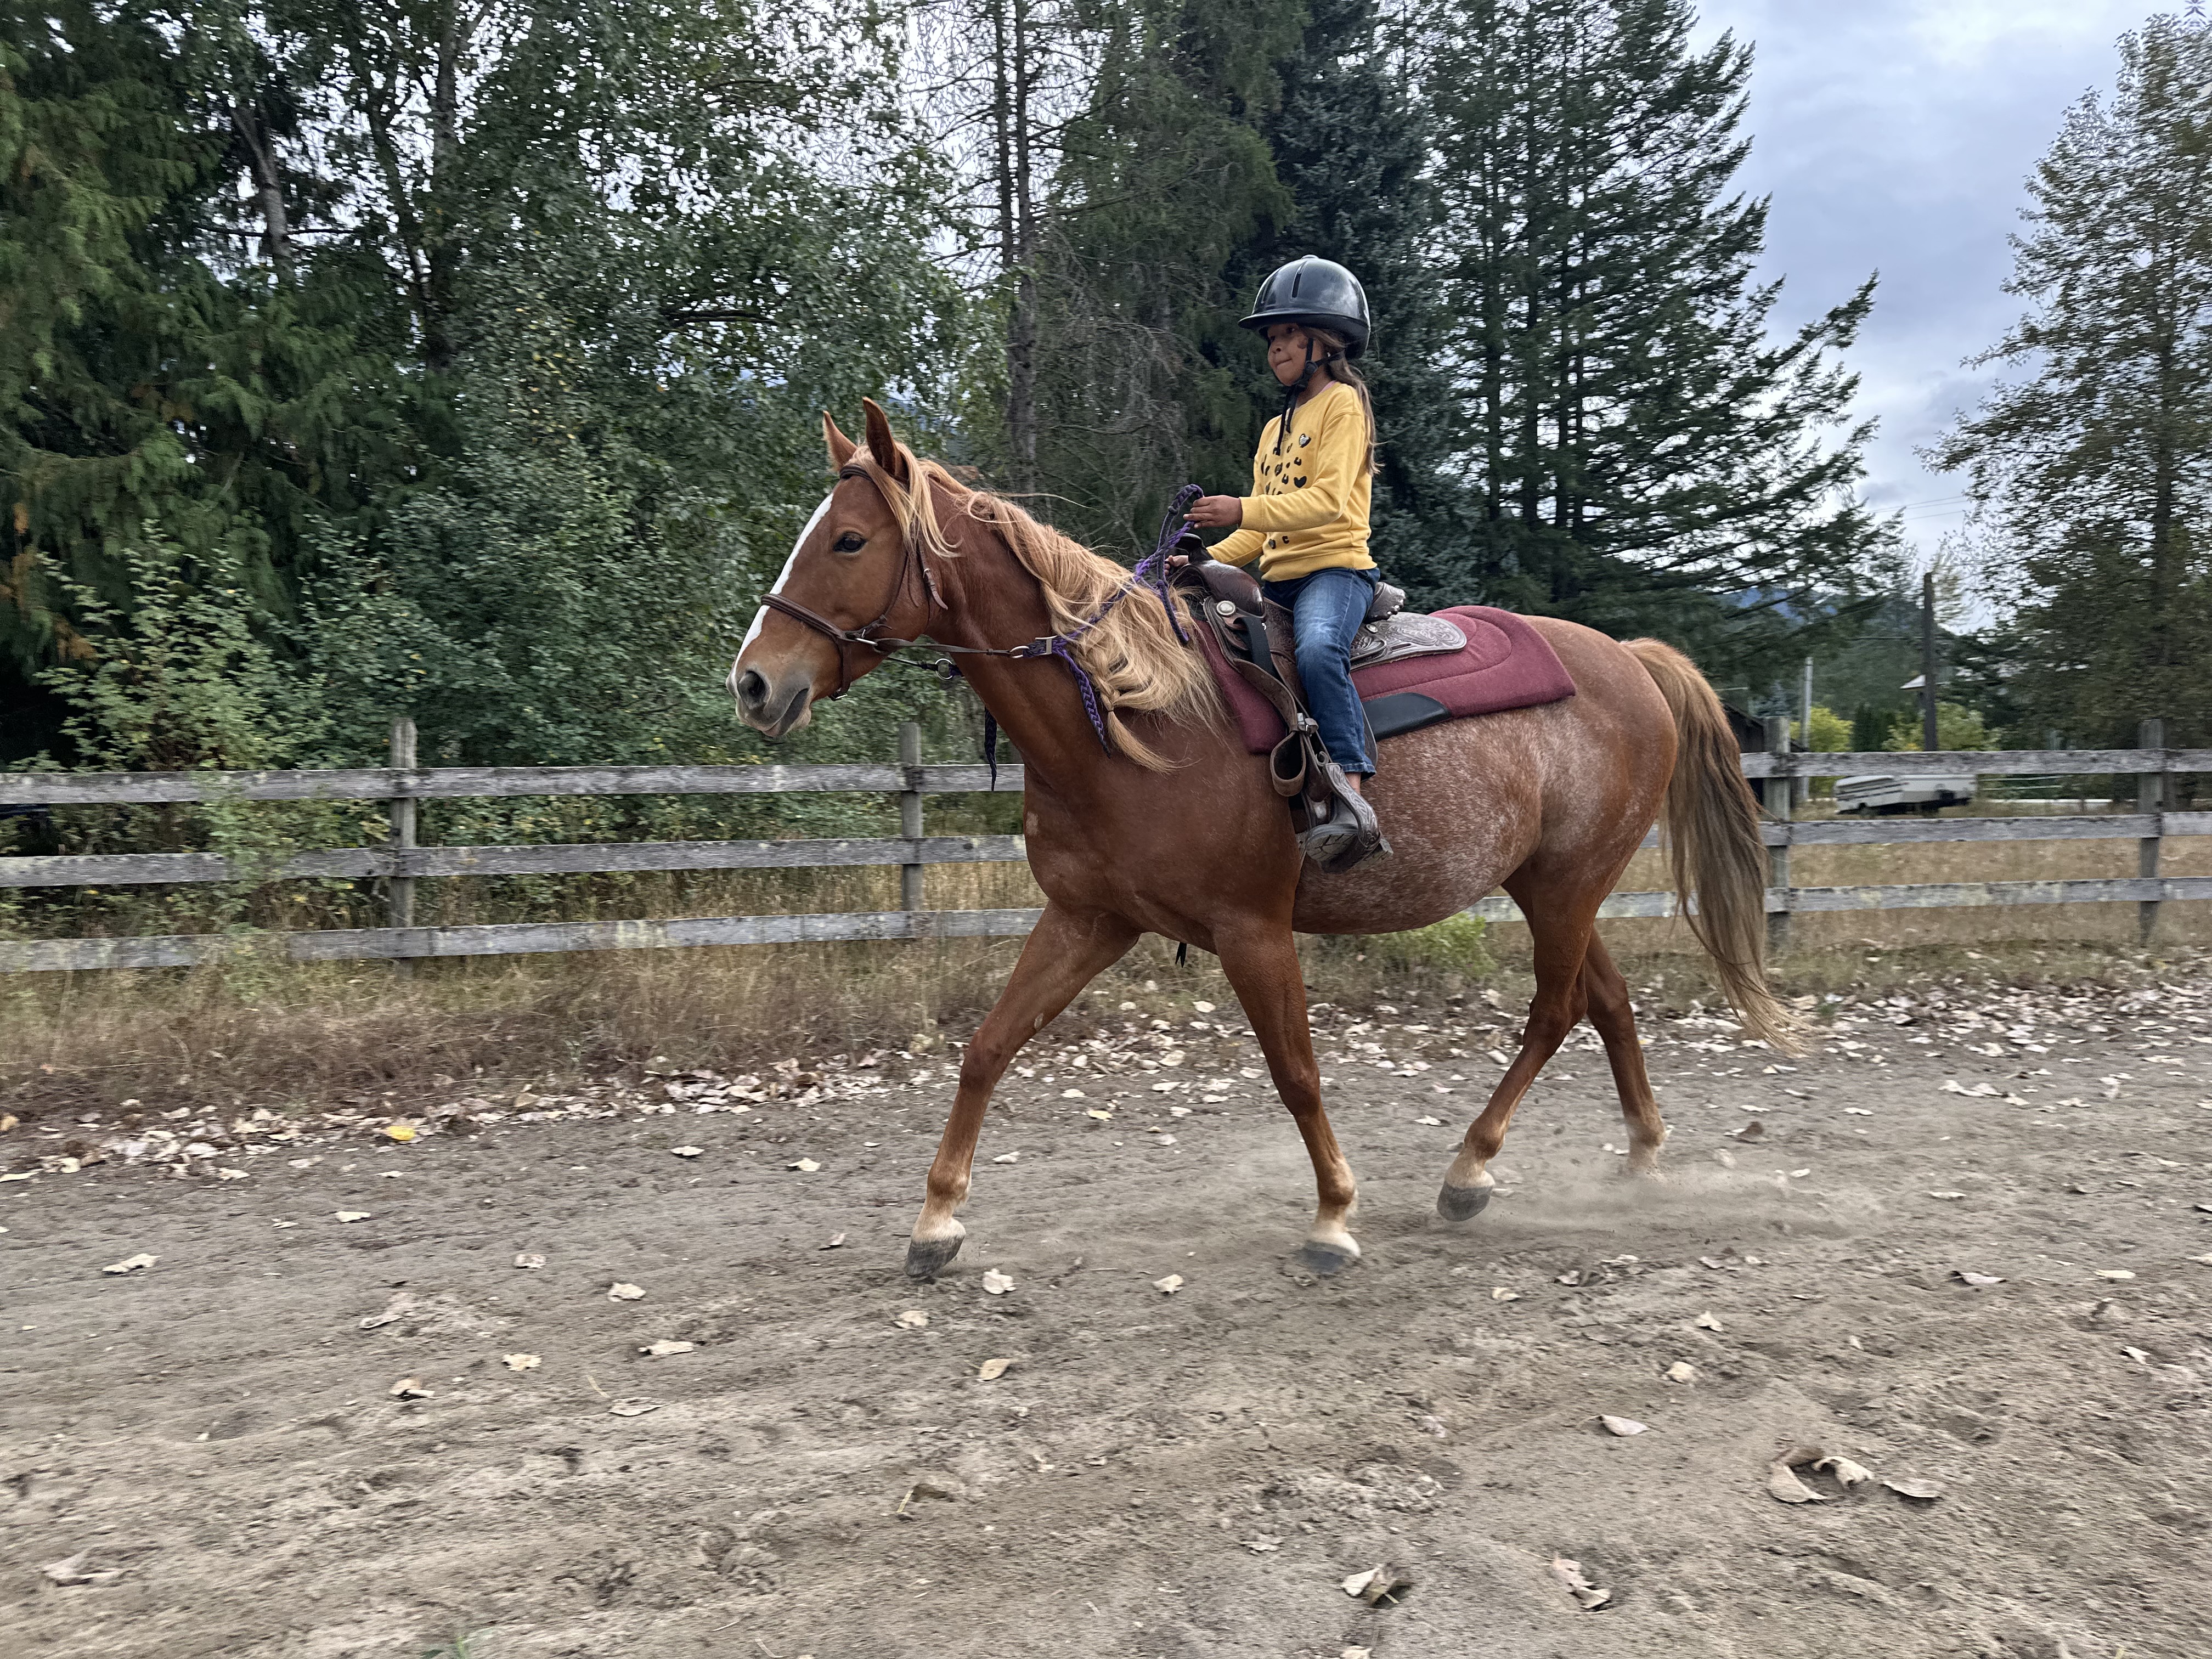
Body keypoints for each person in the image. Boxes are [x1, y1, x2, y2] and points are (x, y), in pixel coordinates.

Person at [1186, 256, 1385, 867]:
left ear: (1323, 342)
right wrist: (1200, 558)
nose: (1275, 350)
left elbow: (1324, 505)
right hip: (1282, 580)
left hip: (1336, 571)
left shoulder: (1344, 406)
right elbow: (1260, 541)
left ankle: (1353, 790)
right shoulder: (1274, 429)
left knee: (1319, 647)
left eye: (1286, 337)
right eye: (1271, 340)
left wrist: (1240, 510)